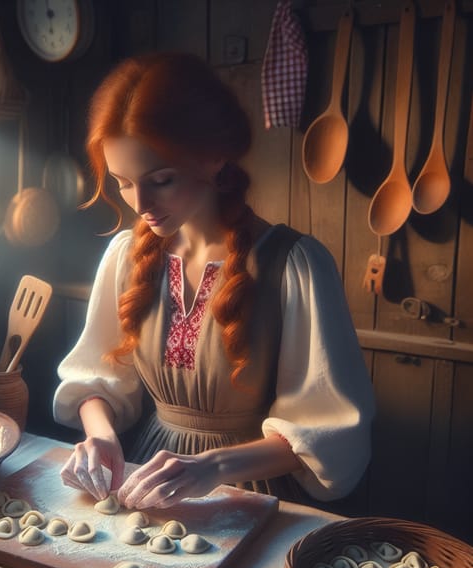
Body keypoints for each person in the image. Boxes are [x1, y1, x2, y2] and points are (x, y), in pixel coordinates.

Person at [53, 52, 375, 511]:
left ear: (214, 157)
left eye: (160, 179)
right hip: (147, 480)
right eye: (123, 182)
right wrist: (100, 436)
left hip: (249, 491)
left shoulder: (294, 266)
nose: (140, 202)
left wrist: (213, 466)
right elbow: (94, 379)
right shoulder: (127, 256)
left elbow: (328, 432)